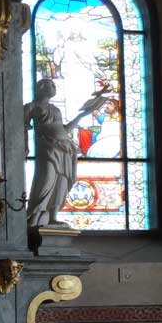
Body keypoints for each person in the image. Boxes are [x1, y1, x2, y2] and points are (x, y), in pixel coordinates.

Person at [24, 79, 106, 227]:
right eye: (50, 85)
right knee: (46, 180)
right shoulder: (31, 107)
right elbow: (22, 128)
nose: (54, 87)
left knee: (61, 182)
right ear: (40, 87)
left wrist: (82, 115)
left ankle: (53, 217)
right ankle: (34, 215)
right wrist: (24, 146)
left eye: (54, 85)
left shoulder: (55, 109)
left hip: (66, 148)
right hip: (48, 148)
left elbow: (65, 129)